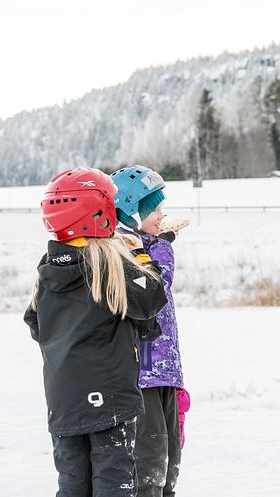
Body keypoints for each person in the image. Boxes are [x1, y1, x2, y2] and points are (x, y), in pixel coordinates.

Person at [24, 167, 167, 497]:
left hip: (62, 401)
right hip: (109, 396)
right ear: (99, 212)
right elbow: (149, 299)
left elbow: (35, 324)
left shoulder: (46, 268)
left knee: (72, 483)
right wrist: (140, 255)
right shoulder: (107, 261)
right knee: (114, 480)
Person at [110, 164, 187, 497]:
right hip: (142, 372)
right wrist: (163, 246)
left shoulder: (149, 245)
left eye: (160, 209)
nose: (160, 215)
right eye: (153, 210)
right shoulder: (123, 248)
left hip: (165, 370)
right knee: (150, 460)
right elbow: (157, 287)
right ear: (130, 213)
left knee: (170, 458)